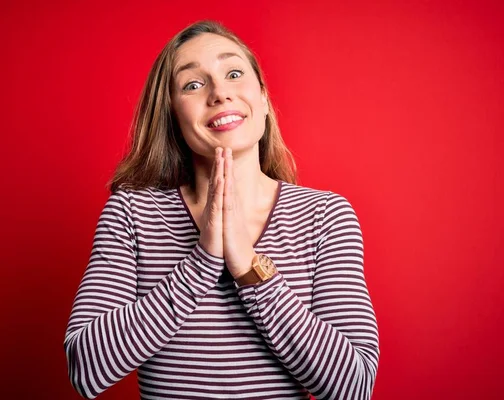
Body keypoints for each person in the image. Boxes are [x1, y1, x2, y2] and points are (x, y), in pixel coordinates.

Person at [63, 20, 379, 400]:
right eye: (193, 84)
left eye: (233, 73)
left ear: (262, 99)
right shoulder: (133, 212)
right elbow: (86, 367)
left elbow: (354, 387)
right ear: (173, 117)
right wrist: (202, 261)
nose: (219, 93)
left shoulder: (325, 215)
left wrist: (248, 267)